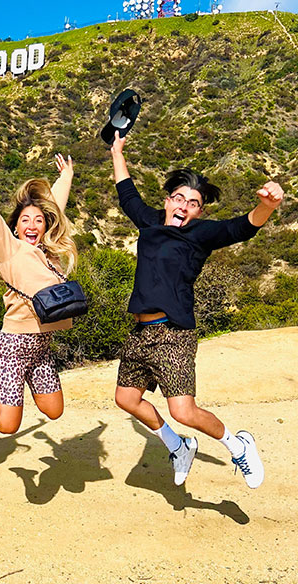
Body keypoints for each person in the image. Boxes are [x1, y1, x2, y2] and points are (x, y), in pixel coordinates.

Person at [109, 129, 284, 488]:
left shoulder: (200, 234)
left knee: (182, 410)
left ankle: (237, 446)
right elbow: (127, 193)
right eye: (178, 198)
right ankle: (179, 446)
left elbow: (240, 228)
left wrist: (267, 205)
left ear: (199, 212)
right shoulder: (151, 221)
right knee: (126, 398)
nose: (183, 206)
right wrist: (117, 149)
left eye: (192, 203)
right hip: (141, 331)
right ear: (168, 200)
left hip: (174, 333)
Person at [0, 138, 77, 434]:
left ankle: (15, 382)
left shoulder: (50, 252)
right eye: (25, 220)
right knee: (7, 425)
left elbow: (55, 207)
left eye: (38, 221)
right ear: (16, 226)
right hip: (13, 349)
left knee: (54, 410)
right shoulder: (9, 250)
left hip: (41, 348)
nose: (32, 225)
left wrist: (66, 177)